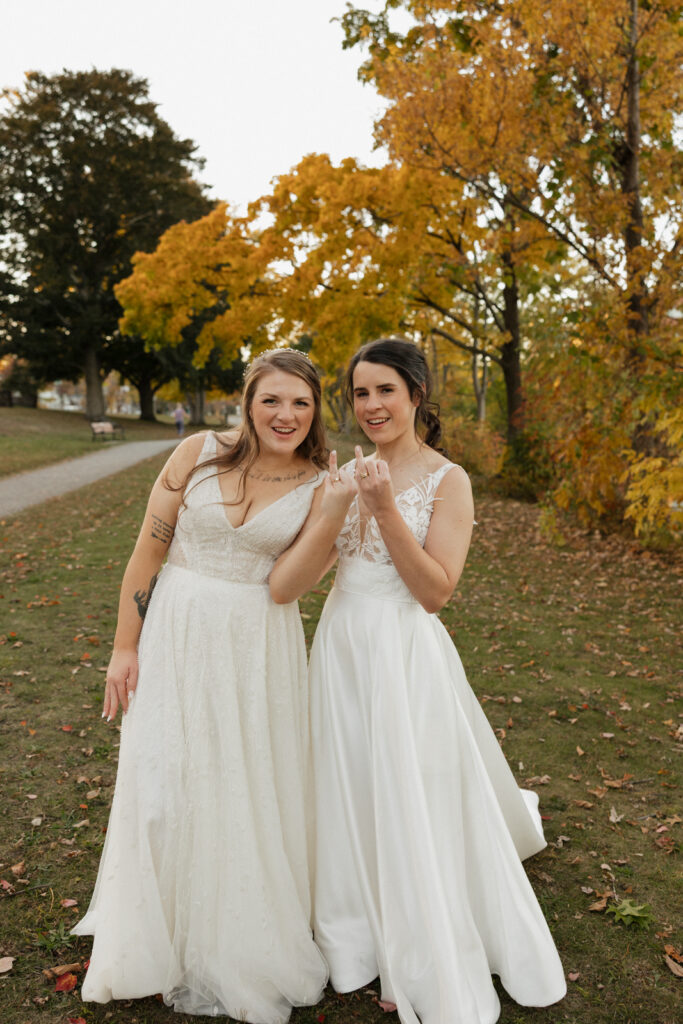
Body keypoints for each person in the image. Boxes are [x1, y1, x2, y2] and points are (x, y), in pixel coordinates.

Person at [270, 338, 566, 1024]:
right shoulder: (342, 472)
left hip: (403, 651)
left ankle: (416, 936)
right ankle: (351, 932)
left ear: (415, 396)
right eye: (360, 393)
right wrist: (335, 509)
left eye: (385, 391)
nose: (371, 405)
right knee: (346, 782)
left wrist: (383, 510)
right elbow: (309, 576)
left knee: (407, 788)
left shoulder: (448, 479)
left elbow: (435, 592)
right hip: (341, 646)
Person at [73, 349, 329, 1022]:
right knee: (162, 777)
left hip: (257, 645)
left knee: (239, 777)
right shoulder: (196, 453)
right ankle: (152, 928)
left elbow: (290, 586)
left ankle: (233, 928)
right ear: (246, 403)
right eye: (272, 399)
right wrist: (124, 647)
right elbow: (147, 550)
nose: (285, 415)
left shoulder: (320, 482)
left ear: (316, 411)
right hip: (176, 629)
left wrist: (335, 513)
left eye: (300, 403)